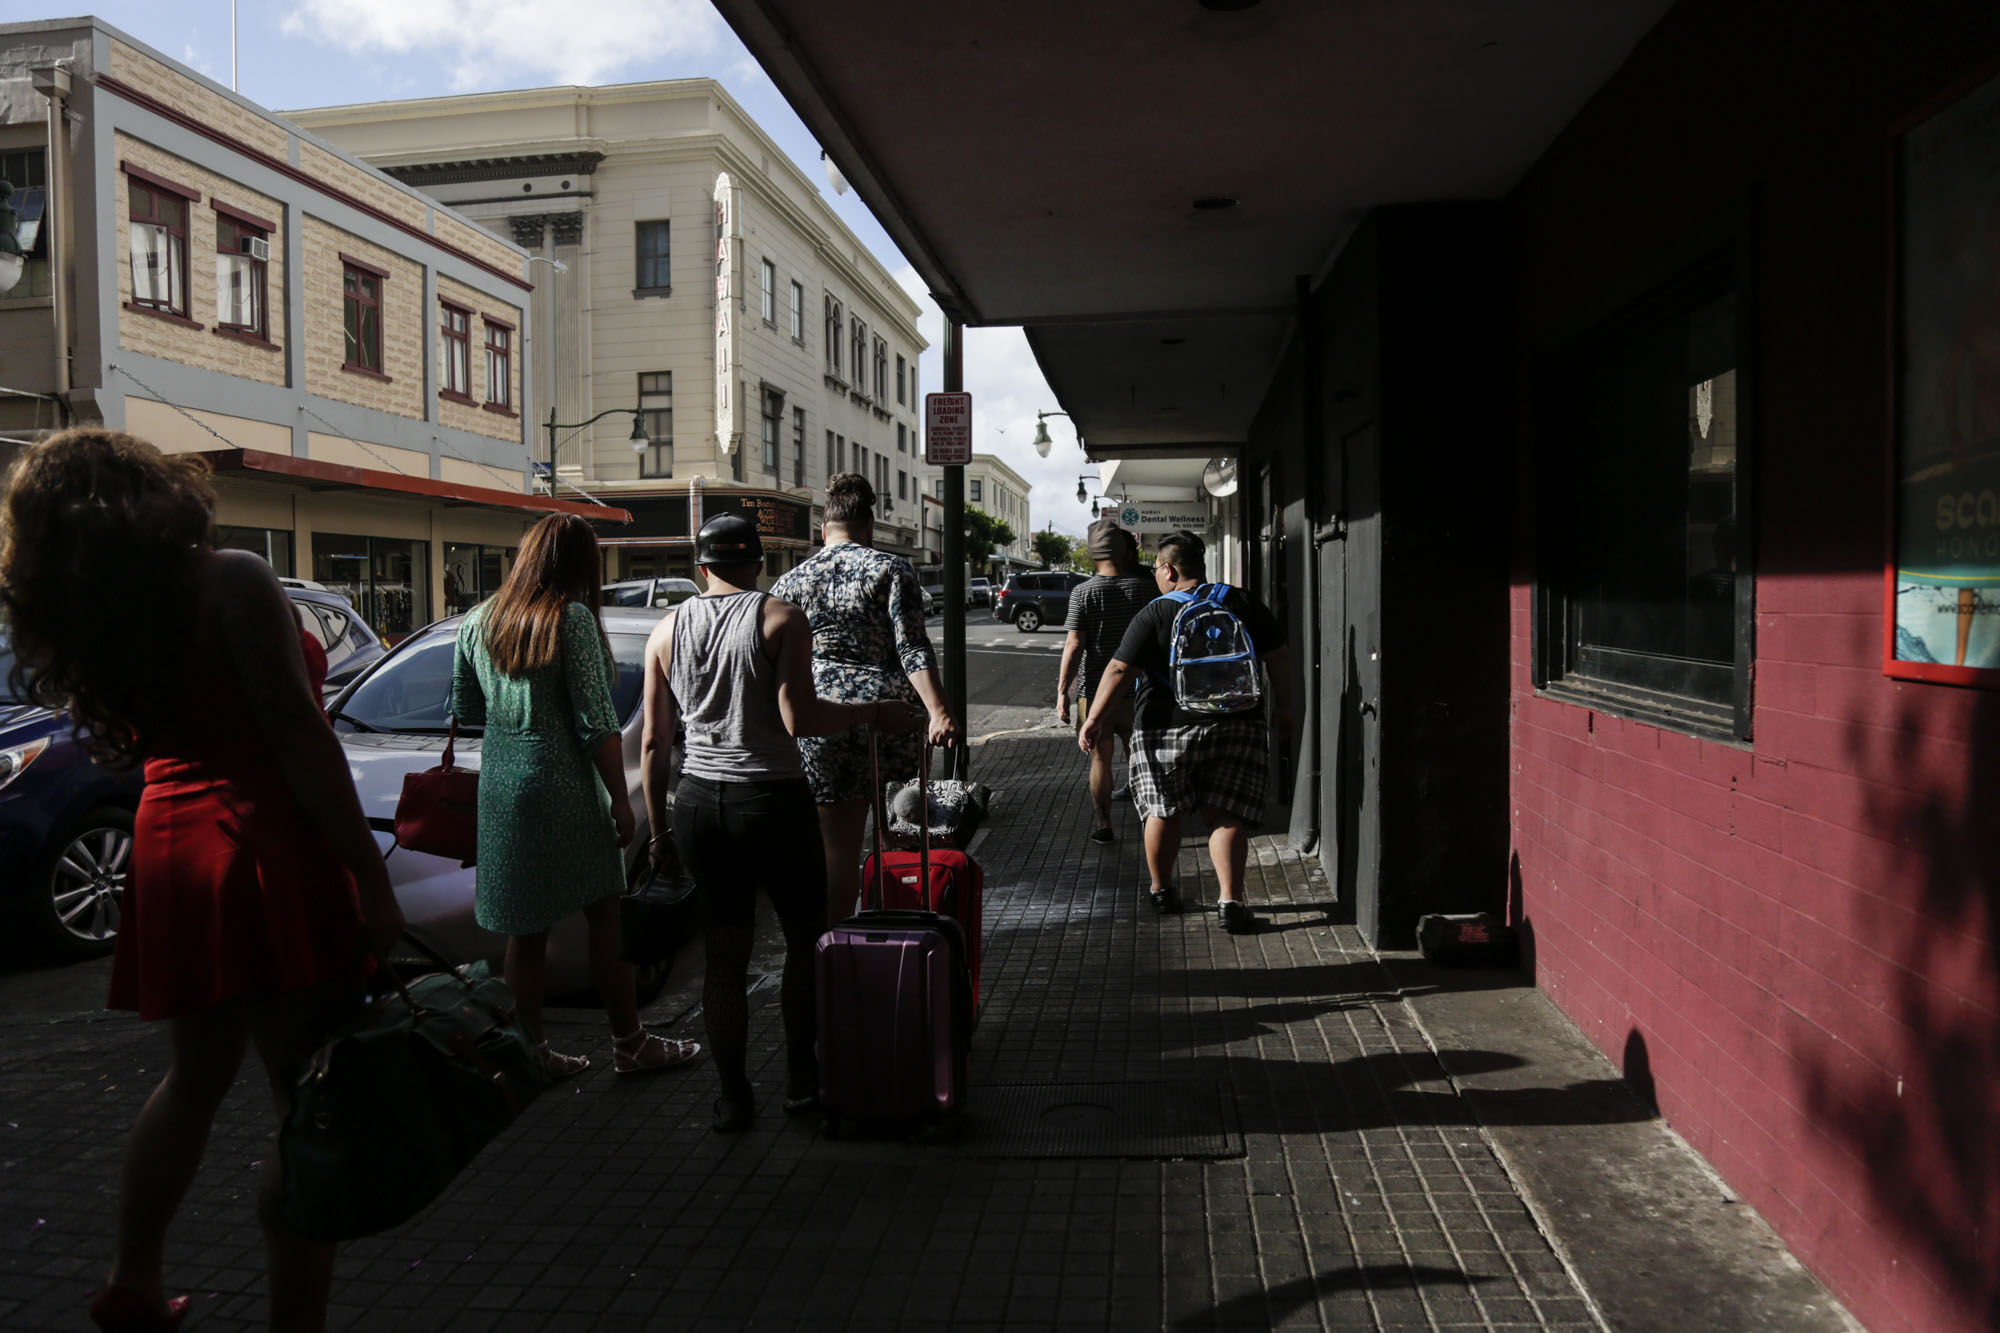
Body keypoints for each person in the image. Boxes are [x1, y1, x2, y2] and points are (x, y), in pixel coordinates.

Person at [0, 428, 404, 1333]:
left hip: (171, 837)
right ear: (151, 490)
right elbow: (298, 737)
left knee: (192, 1078)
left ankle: (131, 1280)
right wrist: (368, 879)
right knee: (307, 1093)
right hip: (261, 839)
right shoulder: (229, 579)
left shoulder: (100, 612)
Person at [643, 514, 921, 1131]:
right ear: (759, 563)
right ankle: (800, 1077)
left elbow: (655, 743)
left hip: (697, 804)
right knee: (802, 941)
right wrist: (871, 713)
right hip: (771, 799)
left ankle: (734, 1096)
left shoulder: (665, 630)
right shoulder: (779, 619)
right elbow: (799, 719)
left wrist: (659, 831)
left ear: (702, 565)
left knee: (724, 954)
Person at [449, 513, 699, 1080]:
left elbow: (466, 710)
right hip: (564, 787)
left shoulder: (477, 620)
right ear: (578, 565)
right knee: (604, 915)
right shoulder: (572, 619)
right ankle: (629, 1042)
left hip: (503, 788)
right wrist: (621, 798)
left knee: (526, 932)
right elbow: (597, 723)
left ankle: (532, 1051)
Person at [1078, 530, 1294, 933]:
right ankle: (1230, 902)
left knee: (1163, 809)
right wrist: (1286, 707)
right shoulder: (1242, 601)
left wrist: (1094, 718)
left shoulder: (1156, 611)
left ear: (1169, 569)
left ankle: (1162, 891)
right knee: (1226, 813)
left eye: (1158, 568)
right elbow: (1278, 656)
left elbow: (1120, 669)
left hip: (1164, 727)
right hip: (1238, 722)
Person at [771, 472, 958, 925]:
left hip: (825, 720)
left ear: (823, 528)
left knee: (838, 850)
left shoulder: (790, 582)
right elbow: (912, 646)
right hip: (892, 718)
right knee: (903, 840)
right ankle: (901, 940)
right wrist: (939, 711)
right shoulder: (892, 569)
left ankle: (836, 948)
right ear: (870, 525)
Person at [1057, 518, 1157, 843]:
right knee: (1140, 758)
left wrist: (1062, 693)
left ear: (1092, 554)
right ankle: (1150, 825)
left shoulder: (1083, 592)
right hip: (1141, 689)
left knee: (1101, 757)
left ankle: (1104, 825)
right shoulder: (1148, 588)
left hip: (1095, 692)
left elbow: (1074, 646)